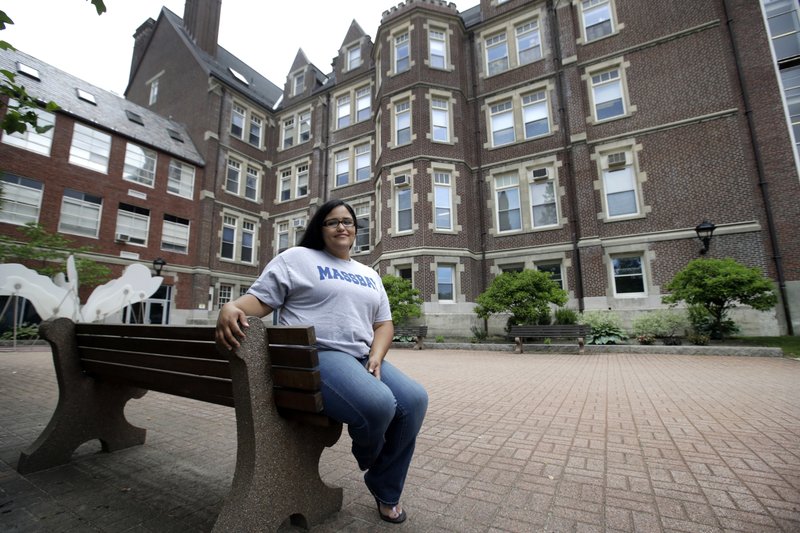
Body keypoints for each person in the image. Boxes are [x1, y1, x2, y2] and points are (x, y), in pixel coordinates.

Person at [216, 199, 428, 524]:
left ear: (356, 230)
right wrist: (232, 307)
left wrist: (377, 354)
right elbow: (260, 300)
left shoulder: (368, 273)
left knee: (414, 399)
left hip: (361, 357)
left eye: (348, 221)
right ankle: (371, 458)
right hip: (317, 356)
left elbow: (384, 323)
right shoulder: (298, 258)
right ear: (320, 228)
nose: (342, 227)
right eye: (333, 222)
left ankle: (385, 486)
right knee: (379, 403)